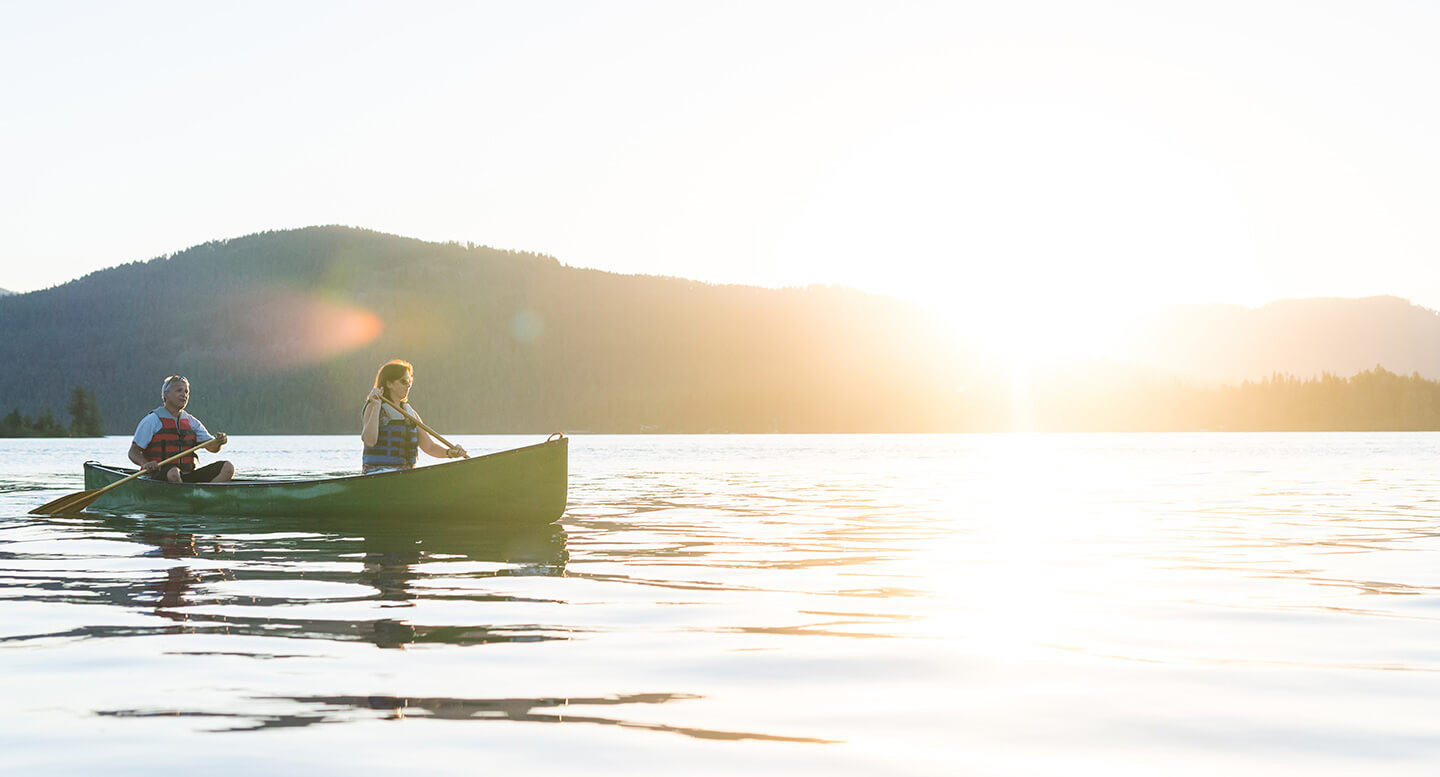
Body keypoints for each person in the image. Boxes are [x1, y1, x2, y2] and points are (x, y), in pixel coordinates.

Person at [362, 359, 466, 473]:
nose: (408, 386)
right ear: (389, 383)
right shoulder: (374, 407)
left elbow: (429, 447)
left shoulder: (410, 413)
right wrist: (376, 405)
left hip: (405, 472)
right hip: (378, 471)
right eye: (403, 381)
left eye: (410, 381)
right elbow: (369, 441)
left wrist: (449, 453)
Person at [129, 375, 234, 483]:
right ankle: (184, 497)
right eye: (179, 390)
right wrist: (145, 464)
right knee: (174, 473)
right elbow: (133, 452)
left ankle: (207, 497)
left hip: (187, 476)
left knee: (227, 467)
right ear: (166, 395)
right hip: (157, 474)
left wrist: (219, 442)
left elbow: (213, 448)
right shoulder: (152, 420)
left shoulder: (192, 422)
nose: (184, 395)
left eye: (186, 392)